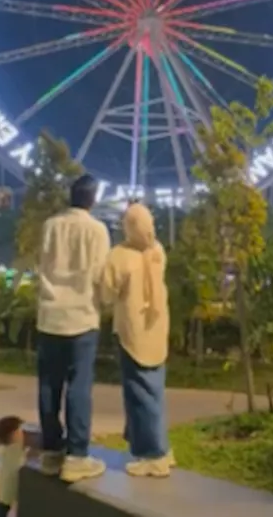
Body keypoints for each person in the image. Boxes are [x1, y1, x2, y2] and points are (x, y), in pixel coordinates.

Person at [34, 173, 110, 482]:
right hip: (82, 316)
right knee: (80, 385)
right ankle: (78, 455)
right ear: (93, 199)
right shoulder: (97, 230)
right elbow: (101, 275)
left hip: (50, 315)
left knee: (49, 386)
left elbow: (42, 264)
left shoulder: (51, 225)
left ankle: (52, 451)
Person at [100, 202, 176, 477]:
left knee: (139, 392)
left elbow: (106, 293)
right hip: (157, 329)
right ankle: (160, 447)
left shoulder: (119, 256)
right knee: (154, 390)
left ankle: (152, 454)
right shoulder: (159, 251)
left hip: (133, 331)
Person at [0, 416, 27, 517]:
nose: (23, 434)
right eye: (20, 430)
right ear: (14, 434)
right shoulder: (15, 454)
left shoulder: (7, 449)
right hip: (1, 500)